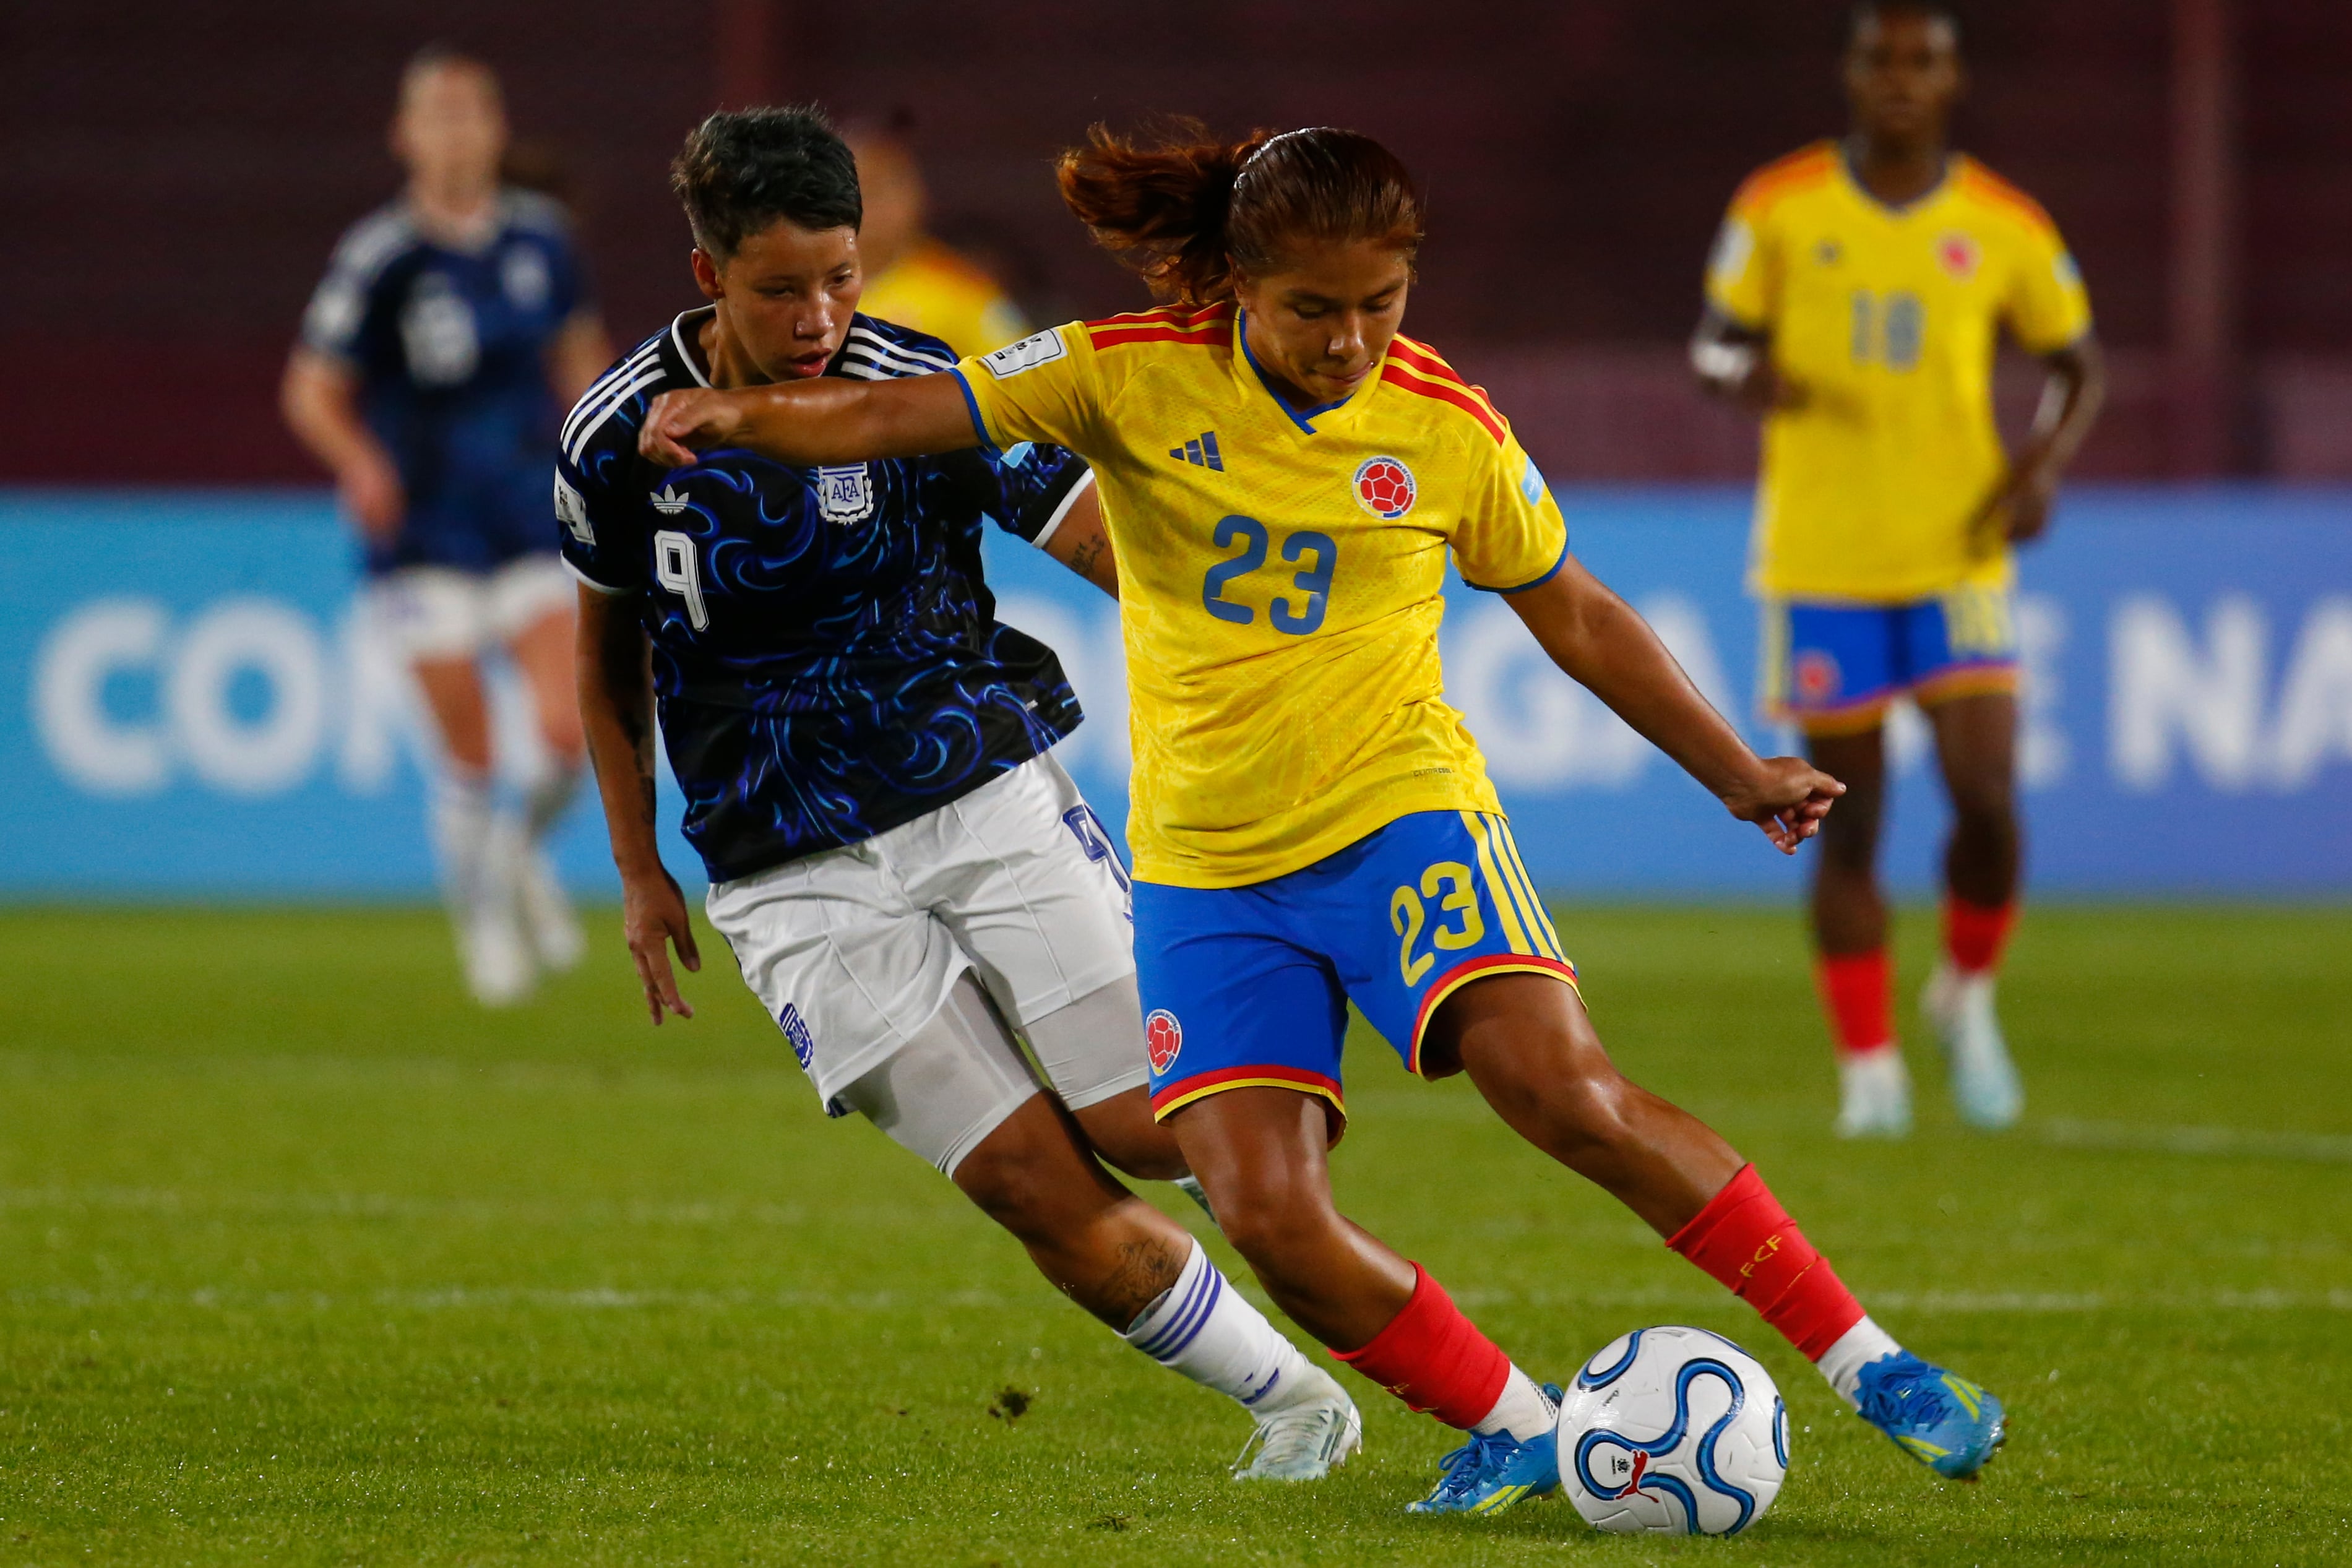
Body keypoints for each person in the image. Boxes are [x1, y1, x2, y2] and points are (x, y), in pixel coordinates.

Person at [634, 119, 2015, 1514]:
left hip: (1397, 817)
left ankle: (1867, 1361)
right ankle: (1514, 1427)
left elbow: (1579, 611)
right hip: (1205, 874)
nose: (1349, 339)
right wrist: (736, 413)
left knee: (1563, 1093)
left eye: (1380, 303)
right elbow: (886, 417)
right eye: (1312, 308)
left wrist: (1735, 770)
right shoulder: (1118, 372)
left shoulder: (1443, 426)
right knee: (1268, 1216)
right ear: (1235, 283)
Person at [563, 106, 1361, 1483]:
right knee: (1023, 1182)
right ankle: (1298, 1403)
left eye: (840, 276)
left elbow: (1100, 537)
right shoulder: (614, 436)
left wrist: (1252, 651)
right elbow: (605, 659)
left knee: (1151, 1127)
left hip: (978, 792)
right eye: (779, 288)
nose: (817, 316)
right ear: (708, 278)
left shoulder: (923, 387)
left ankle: (1301, 1034)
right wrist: (640, 870)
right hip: (781, 862)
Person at [1691, 0, 2105, 1137]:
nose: (1902, 79)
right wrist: (1744, 376)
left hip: (1957, 553)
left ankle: (1964, 994)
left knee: (1986, 801)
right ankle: (1869, 1071)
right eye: (1882, 58)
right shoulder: (1778, 205)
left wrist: (2039, 468)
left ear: (1953, 76)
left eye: (1924, 60)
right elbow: (1713, 339)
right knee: (1854, 819)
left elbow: (2077, 363)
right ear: (1852, 71)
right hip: (1823, 560)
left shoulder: (2003, 222)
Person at [283, 46, 615, 1004]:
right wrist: (359, 460)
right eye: (439, 114)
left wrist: (602, 458)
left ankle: (519, 854)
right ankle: (482, 922)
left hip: (522, 516)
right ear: (405, 136)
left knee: (566, 731)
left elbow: (581, 364)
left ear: (498, 129)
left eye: (473, 112)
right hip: (423, 532)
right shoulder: (381, 256)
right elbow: (310, 388)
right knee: (467, 748)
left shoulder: (543, 242)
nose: (458, 131)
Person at [844, 124, 1032, 356]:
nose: (863, 206)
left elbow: (1021, 374)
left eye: (875, 191)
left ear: (914, 198)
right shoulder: (805, 292)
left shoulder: (959, 291)